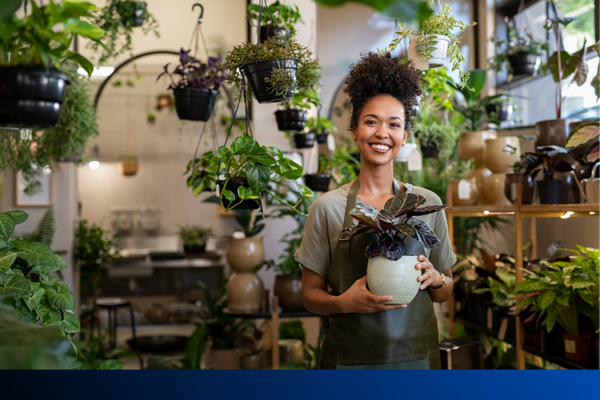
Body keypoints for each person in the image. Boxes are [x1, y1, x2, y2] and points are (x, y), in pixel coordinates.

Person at [295, 52, 456, 369]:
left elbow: (445, 291)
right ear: (354, 129)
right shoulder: (327, 208)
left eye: (394, 124)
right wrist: (343, 303)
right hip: (349, 362)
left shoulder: (425, 204)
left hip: (417, 363)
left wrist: (435, 278)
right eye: (371, 122)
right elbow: (309, 295)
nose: (383, 133)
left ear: (404, 135)